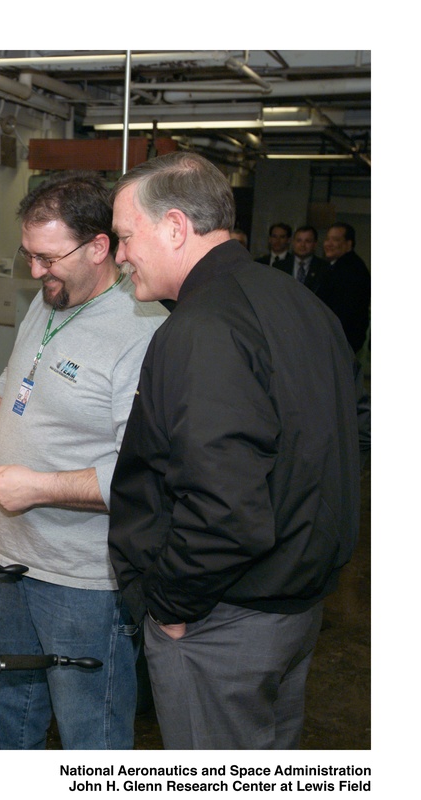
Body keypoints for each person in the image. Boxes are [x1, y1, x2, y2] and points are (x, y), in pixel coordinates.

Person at [108, 152, 361, 750]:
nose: (120, 256)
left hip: (222, 620)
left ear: (174, 227)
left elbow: (224, 508)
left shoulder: (204, 327)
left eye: (123, 237)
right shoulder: (301, 304)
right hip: (293, 608)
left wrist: (168, 605)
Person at [0, 170, 168, 749]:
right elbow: (19, 374)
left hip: (85, 583)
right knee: (4, 718)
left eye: (48, 258)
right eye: (28, 256)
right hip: (12, 561)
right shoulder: (51, 299)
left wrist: (39, 488)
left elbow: (142, 474)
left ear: (100, 247)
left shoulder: (144, 333)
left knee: (89, 735)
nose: (36, 272)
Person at [318, 222, 371, 354]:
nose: (328, 244)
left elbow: (343, 312)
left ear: (349, 244)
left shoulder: (350, 270)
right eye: (327, 239)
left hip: (340, 343)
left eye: (335, 240)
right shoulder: (340, 266)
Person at [288, 225, 328, 291]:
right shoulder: (279, 266)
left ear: (315, 244)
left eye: (307, 241)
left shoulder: (324, 268)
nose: (302, 245)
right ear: (293, 242)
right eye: (299, 240)